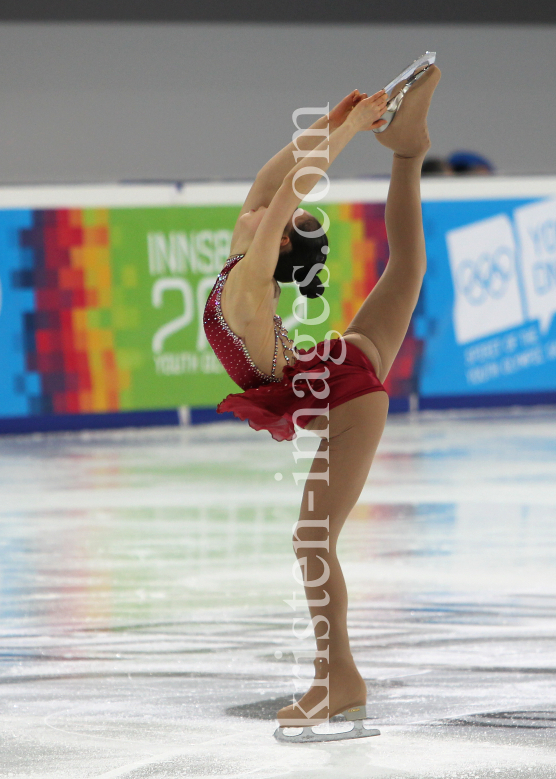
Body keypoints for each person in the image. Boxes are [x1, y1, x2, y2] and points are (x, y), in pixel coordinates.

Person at [203, 61, 440, 741]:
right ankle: (409, 156)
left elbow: (283, 196)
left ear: (274, 245)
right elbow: (273, 183)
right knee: (405, 271)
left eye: (270, 221)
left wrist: (343, 136)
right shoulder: (241, 267)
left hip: (347, 396)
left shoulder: (248, 290)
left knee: (313, 537)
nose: (251, 210)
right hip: (335, 370)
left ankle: (337, 679)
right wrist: (334, 125)